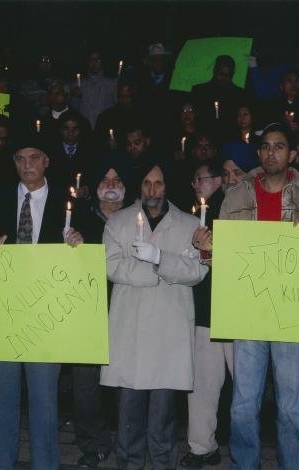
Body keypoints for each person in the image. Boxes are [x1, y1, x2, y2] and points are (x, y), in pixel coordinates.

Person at [219, 122, 299, 470]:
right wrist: (207, 248)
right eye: (266, 146)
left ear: (293, 154)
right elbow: (222, 257)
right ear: (259, 153)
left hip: (292, 314)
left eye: (280, 146)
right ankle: (245, 464)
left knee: (290, 407)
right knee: (242, 404)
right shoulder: (236, 195)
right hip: (249, 312)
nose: (272, 152)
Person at [0, 137, 83, 470]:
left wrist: (78, 243)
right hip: (3, 311)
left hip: (47, 313)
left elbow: (86, 258)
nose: (27, 165)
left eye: (34, 157)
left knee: (44, 397)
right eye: (20, 158)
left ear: (47, 161)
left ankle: (45, 464)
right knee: (0, 397)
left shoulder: (67, 202)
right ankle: (0, 463)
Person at [100, 158, 208, 469]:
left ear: (167, 185)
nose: (152, 189)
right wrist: (160, 270)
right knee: (129, 419)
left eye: (158, 183)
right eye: (147, 183)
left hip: (168, 331)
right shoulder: (118, 222)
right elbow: (111, 265)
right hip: (131, 330)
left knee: (163, 419)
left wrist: (160, 259)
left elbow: (198, 270)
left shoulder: (190, 225)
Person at [71, 152, 132, 468]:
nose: (111, 185)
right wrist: (70, 243)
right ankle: (93, 444)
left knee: (126, 385)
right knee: (85, 386)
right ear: (95, 186)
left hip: (128, 311)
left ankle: (127, 446)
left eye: (117, 180)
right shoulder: (78, 217)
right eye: (105, 180)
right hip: (86, 312)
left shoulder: (138, 219)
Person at [180, 158, 232, 469]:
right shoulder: (194, 216)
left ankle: (243, 444)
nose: (196, 185)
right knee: (201, 386)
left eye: (200, 179)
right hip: (204, 312)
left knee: (244, 388)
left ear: (218, 181)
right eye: (195, 180)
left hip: (238, 314)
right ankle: (202, 447)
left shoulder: (237, 212)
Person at [71, 49, 117, 128]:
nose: (94, 62)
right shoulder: (78, 84)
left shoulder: (112, 84)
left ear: (102, 61)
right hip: (84, 129)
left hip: (105, 127)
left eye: (97, 59)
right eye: (91, 60)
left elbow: (117, 107)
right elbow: (74, 109)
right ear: (87, 62)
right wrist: (75, 97)